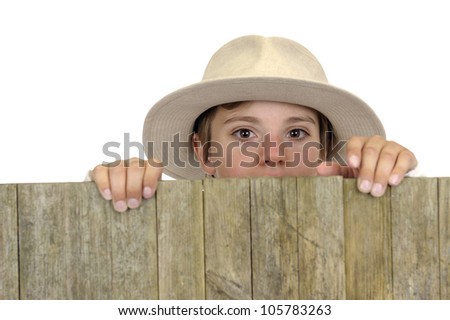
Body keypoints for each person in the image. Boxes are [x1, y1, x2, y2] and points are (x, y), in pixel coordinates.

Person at [91, 35, 417, 213]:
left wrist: (393, 182)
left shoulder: (355, 220)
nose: (273, 154)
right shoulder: (169, 222)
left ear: (325, 150)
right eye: (244, 133)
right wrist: (114, 189)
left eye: (296, 133)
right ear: (204, 152)